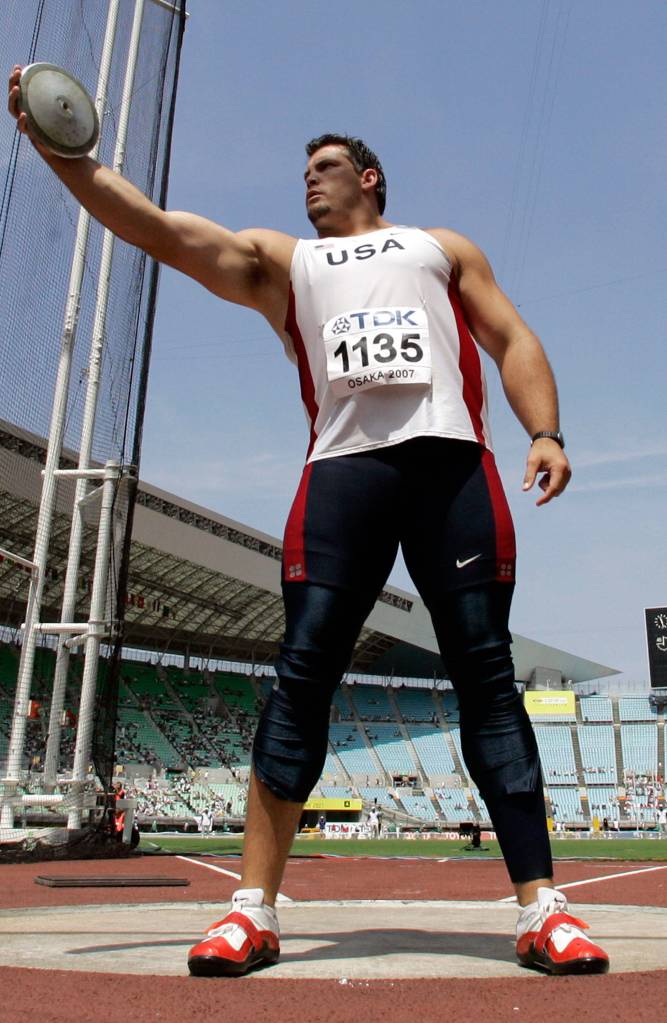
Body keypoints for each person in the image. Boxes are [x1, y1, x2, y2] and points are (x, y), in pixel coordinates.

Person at [8, 70, 608, 979]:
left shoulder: (439, 246)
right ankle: (252, 909)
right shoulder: (282, 262)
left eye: (327, 167)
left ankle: (542, 908)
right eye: (305, 172)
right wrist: (63, 152)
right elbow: (157, 231)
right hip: (342, 476)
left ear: (372, 177)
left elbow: (511, 338)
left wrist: (548, 431)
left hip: (451, 466)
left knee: (487, 675)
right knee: (300, 679)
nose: (309, 180)